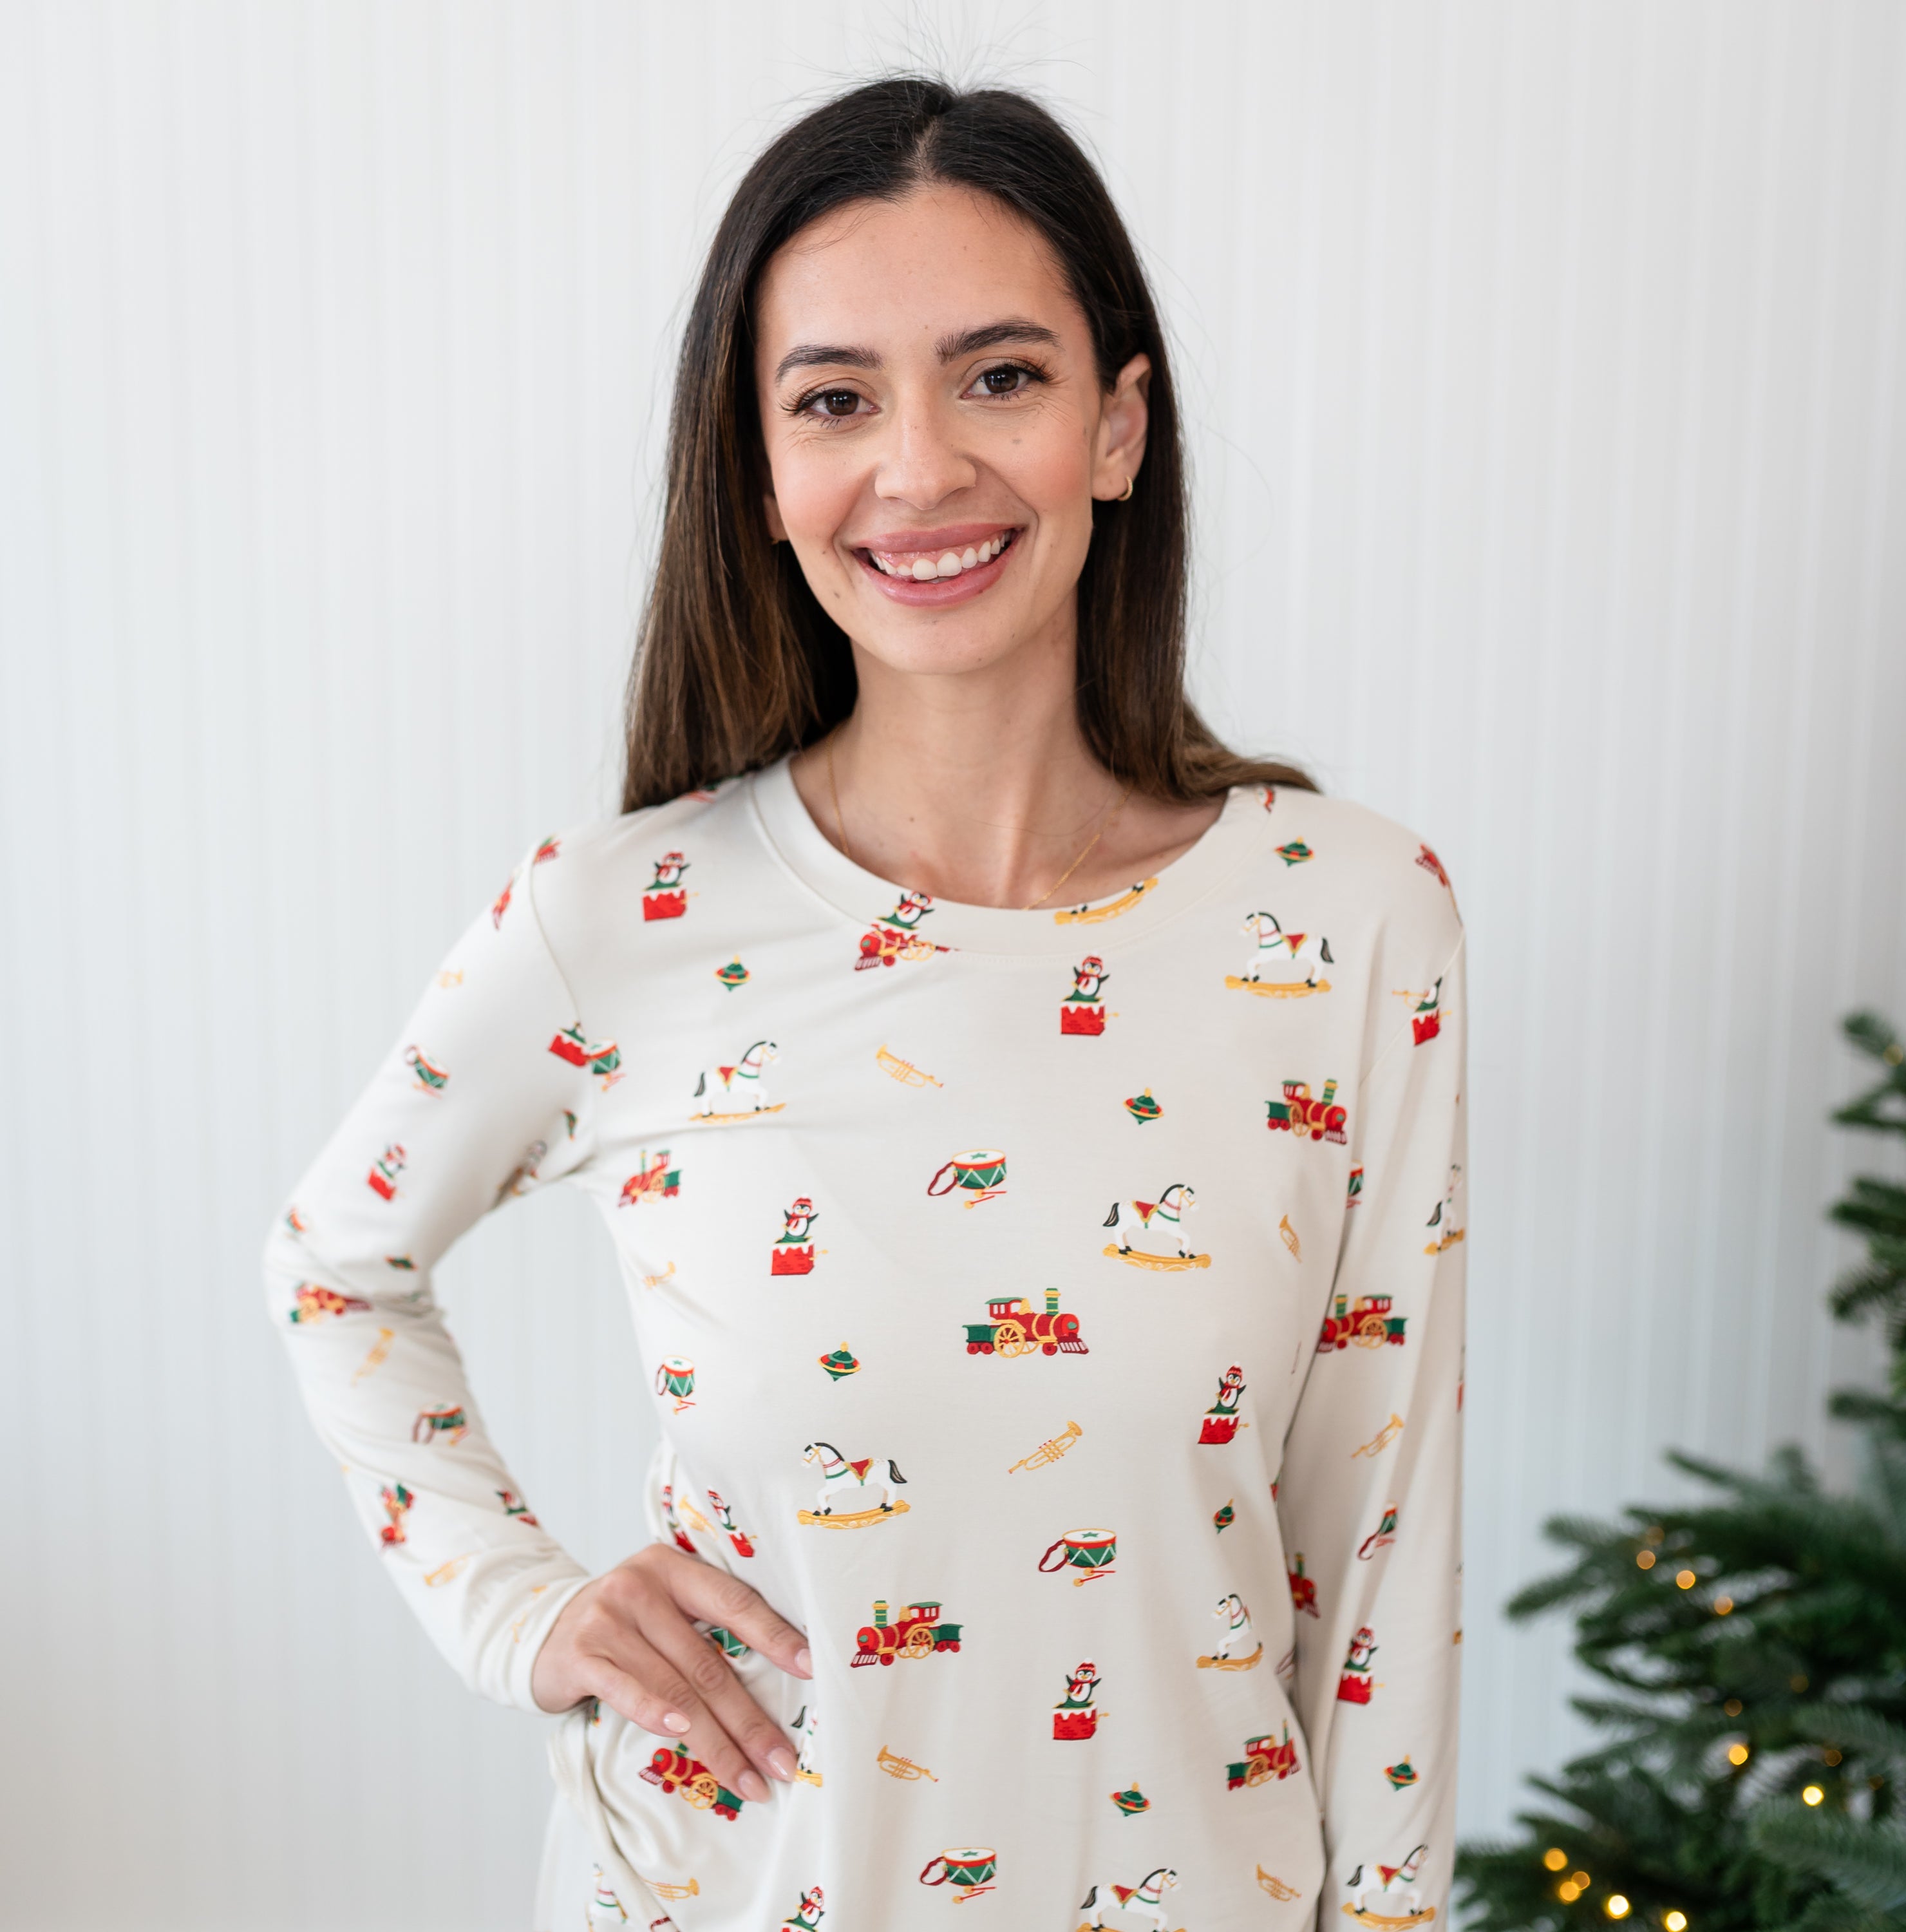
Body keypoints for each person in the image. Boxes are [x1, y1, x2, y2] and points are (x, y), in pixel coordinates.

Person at [264, 74, 1467, 1932]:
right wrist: (519, 1606)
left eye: (1000, 376)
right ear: (760, 471)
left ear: (1118, 426)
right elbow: (336, 1266)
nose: (919, 468)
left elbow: (1378, 1548)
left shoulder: (1348, 925)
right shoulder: (621, 921)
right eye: (836, 399)